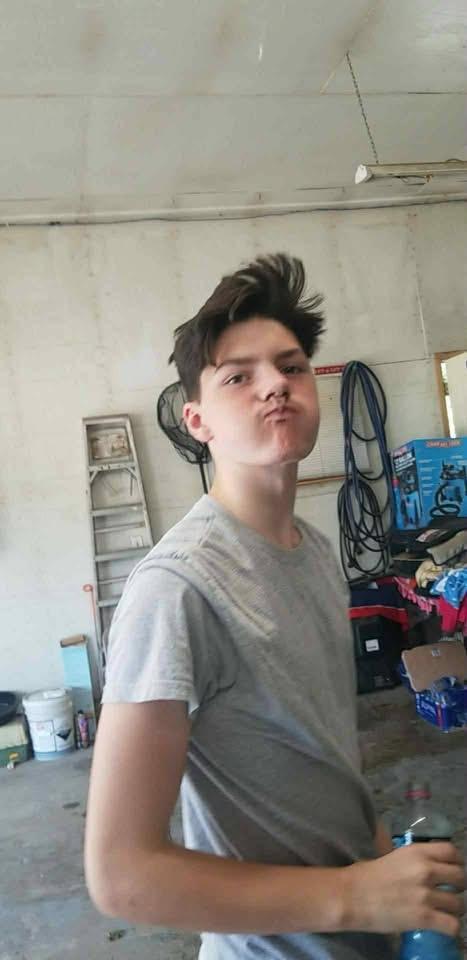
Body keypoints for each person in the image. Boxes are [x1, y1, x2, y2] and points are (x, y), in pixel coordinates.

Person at [85, 254, 464, 960]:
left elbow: (328, 757)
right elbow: (121, 875)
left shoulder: (314, 551)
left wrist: (380, 878)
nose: (274, 385)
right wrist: (355, 896)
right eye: (238, 376)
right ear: (197, 420)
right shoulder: (176, 588)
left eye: (291, 367)